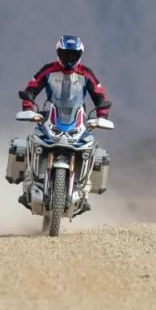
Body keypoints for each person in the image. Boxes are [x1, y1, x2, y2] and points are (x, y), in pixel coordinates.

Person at [18, 35, 111, 212]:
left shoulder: (86, 73)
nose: (69, 58)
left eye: (73, 54)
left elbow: (100, 96)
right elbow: (31, 88)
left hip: (77, 120)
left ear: (79, 54)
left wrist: (102, 115)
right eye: (65, 54)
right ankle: (29, 183)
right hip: (50, 117)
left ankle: (84, 189)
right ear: (58, 53)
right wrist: (28, 105)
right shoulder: (48, 70)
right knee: (33, 142)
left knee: (90, 149)